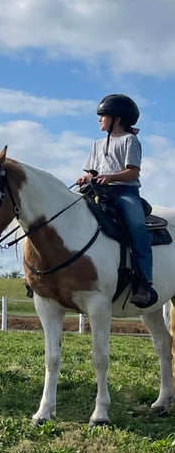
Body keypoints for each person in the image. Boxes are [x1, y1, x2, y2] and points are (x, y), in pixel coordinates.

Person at [75, 94, 157, 308]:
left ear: (117, 119)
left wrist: (111, 177)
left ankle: (144, 282)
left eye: (103, 116)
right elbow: (92, 171)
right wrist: (86, 178)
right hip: (98, 191)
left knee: (137, 227)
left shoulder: (130, 141)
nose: (99, 120)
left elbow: (132, 172)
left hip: (125, 192)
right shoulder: (96, 144)